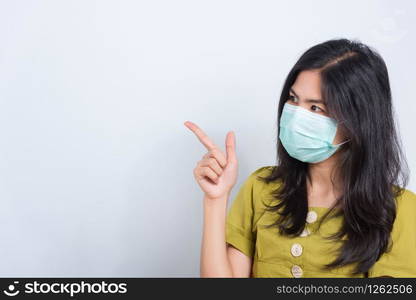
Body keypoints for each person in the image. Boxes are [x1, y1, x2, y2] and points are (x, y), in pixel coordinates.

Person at [184, 38, 416, 278]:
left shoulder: (400, 210)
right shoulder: (262, 187)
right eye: (293, 99)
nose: (296, 117)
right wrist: (216, 199)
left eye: (316, 108)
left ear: (358, 121)